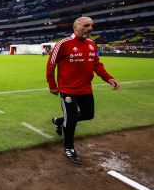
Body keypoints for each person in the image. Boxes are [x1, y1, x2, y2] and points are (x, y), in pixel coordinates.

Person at [46, 16, 120, 164]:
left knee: (88, 114)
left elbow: (97, 64)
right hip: (68, 89)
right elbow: (51, 65)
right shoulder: (63, 44)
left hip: (85, 88)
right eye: (86, 25)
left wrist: (108, 78)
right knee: (72, 119)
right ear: (75, 27)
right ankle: (69, 148)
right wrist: (52, 85)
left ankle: (59, 121)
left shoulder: (92, 44)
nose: (90, 28)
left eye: (91, 25)